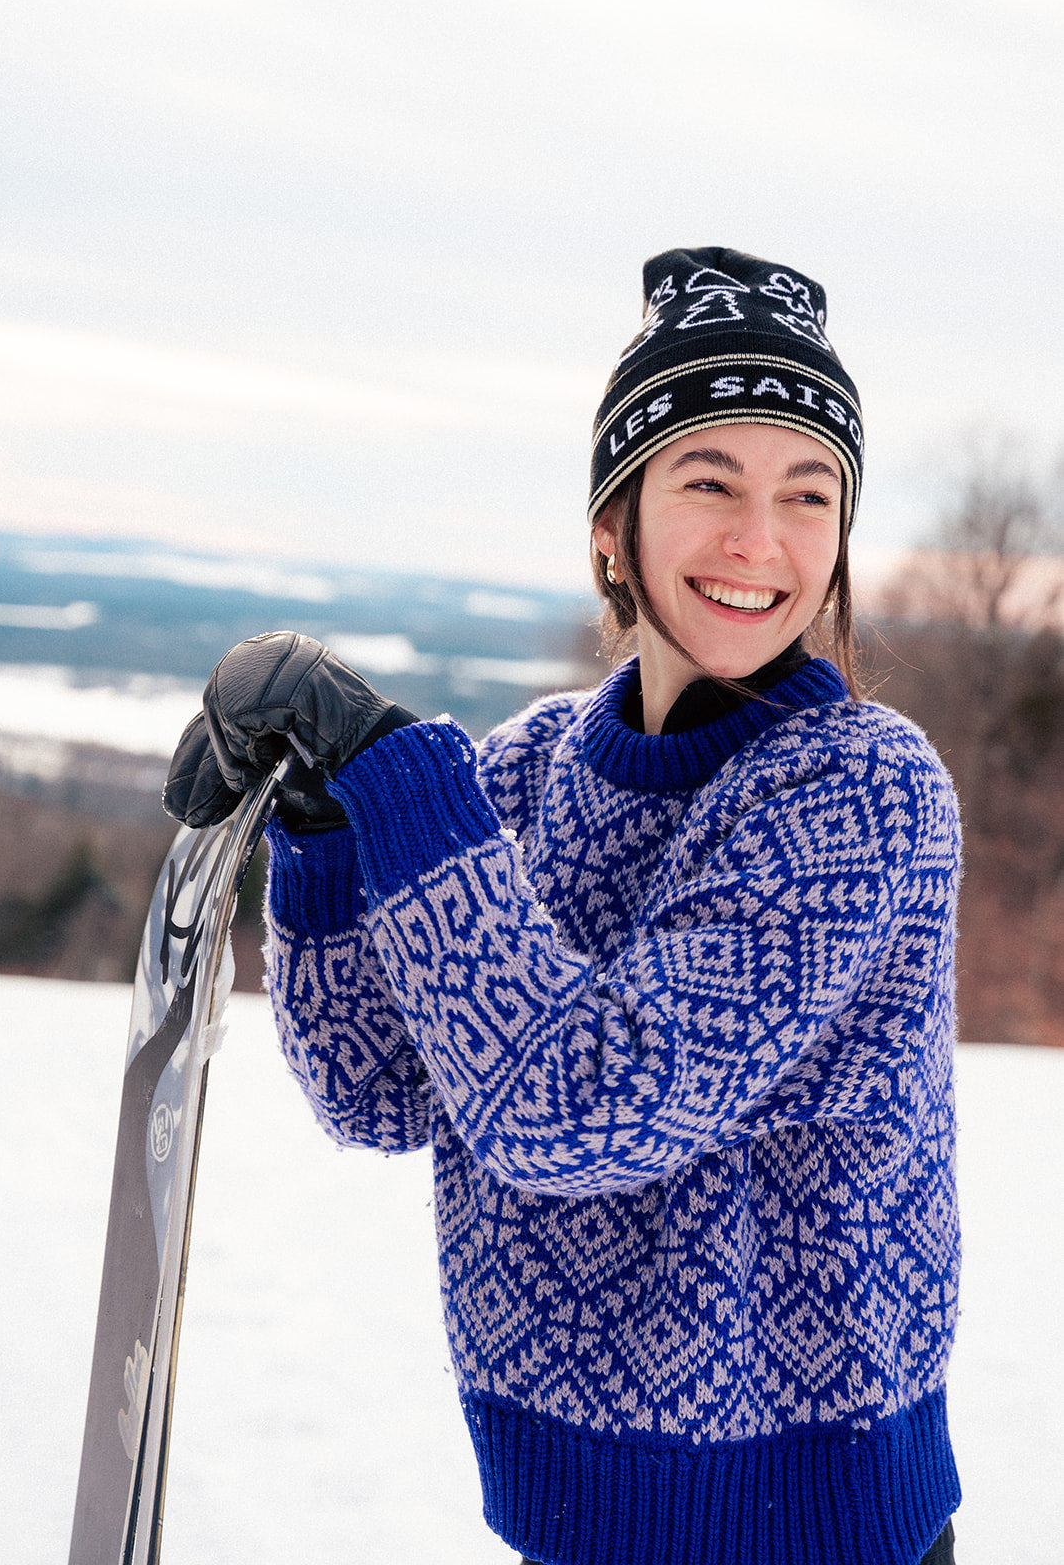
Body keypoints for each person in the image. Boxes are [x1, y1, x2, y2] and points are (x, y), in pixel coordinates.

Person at [165, 247, 962, 1565]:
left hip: (809, 1535)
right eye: (710, 481)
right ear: (613, 527)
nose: (761, 539)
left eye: (808, 494)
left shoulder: (862, 790)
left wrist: (387, 770)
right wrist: (326, 835)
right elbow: (382, 1089)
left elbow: (574, 1108)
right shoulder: (529, 770)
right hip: (571, 1525)